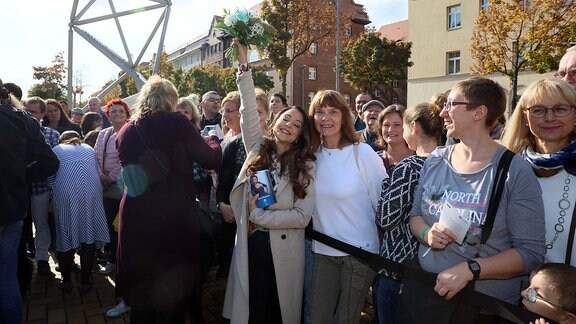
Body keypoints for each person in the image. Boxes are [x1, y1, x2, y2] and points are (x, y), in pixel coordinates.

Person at [400, 77, 546, 323]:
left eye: (451, 104)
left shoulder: (514, 171)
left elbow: (529, 253)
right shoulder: (435, 159)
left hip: (480, 307)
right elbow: (415, 215)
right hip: (426, 297)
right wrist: (427, 234)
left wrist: (471, 269)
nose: (443, 112)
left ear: (479, 112)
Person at [223, 41, 316, 324]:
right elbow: (249, 109)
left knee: (278, 311)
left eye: (296, 124)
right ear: (275, 121)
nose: (288, 125)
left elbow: (301, 217)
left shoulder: (306, 165)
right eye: (285, 119)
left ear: (300, 135)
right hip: (251, 243)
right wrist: (244, 65)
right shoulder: (258, 147)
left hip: (284, 248)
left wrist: (260, 215)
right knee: (253, 309)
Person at [116, 75, 221, 323]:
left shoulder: (127, 129)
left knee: (142, 290)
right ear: (171, 100)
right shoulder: (176, 122)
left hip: (135, 217)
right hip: (172, 218)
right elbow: (210, 159)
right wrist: (214, 140)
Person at [308, 90, 387, 324]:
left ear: (345, 116)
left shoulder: (361, 153)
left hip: (359, 255)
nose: (326, 118)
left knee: (347, 319)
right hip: (323, 251)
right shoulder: (310, 156)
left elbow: (382, 204)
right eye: (320, 112)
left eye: (333, 112)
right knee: (317, 318)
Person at [373, 102, 443, 324]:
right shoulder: (450, 162)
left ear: (413, 127)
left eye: (401, 126)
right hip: (433, 268)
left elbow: (385, 218)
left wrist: (385, 188)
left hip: (397, 268)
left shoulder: (409, 166)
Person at [0, 78, 59, 324]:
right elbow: (49, 162)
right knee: (5, 278)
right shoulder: (22, 120)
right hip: (10, 208)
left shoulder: (21, 119)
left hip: (10, 209)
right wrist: (19, 173)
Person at [502, 78, 576, 265]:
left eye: (560, 109)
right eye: (538, 110)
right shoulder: (508, 168)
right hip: (514, 286)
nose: (549, 118)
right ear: (525, 117)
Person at [50, 130, 110, 293]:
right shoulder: (88, 149)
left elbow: (50, 177)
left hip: (66, 194)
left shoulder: (56, 149)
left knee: (65, 236)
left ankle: (67, 281)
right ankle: (85, 282)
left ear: (62, 140)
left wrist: (52, 190)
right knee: (88, 238)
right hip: (91, 192)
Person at [23, 97, 61, 276]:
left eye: (32, 112)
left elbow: (54, 164)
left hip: (41, 188)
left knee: (41, 224)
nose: (28, 115)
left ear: (42, 114)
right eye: (26, 111)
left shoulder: (52, 135)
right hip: (18, 189)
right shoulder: (14, 132)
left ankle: (42, 259)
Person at [94, 98, 130, 276]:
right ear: (107, 115)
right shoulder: (104, 133)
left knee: (119, 225)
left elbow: (127, 159)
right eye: (113, 111)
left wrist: (111, 177)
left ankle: (119, 260)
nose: (117, 114)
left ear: (127, 115)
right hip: (104, 185)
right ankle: (110, 258)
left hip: (120, 186)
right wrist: (101, 175)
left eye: (121, 111)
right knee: (107, 223)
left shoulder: (130, 132)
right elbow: (96, 156)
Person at [376, 104, 414, 174]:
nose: (390, 130)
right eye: (386, 125)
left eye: (397, 125)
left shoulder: (419, 158)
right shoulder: (374, 159)